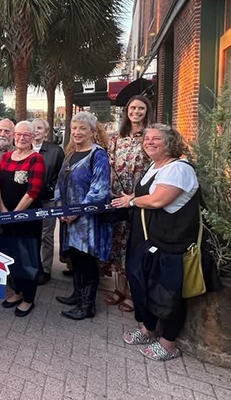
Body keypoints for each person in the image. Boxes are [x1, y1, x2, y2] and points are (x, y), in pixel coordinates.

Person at [112, 124, 198, 361]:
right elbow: (146, 195)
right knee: (145, 283)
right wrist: (133, 197)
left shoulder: (178, 168)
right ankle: (147, 330)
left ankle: (168, 343)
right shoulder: (155, 166)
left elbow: (158, 200)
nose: (149, 142)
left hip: (172, 242)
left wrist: (131, 202)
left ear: (170, 142)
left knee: (169, 293)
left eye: (156, 138)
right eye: (147, 138)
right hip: (151, 239)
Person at [54, 112, 111, 321]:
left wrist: (76, 212)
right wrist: (60, 207)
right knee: (75, 259)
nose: (77, 132)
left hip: (87, 222)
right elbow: (59, 184)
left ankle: (87, 306)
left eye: (82, 128)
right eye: (74, 128)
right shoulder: (70, 154)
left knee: (87, 261)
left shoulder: (98, 155)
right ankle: (77, 295)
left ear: (93, 132)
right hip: (68, 220)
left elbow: (99, 189)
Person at [102, 95, 153, 312]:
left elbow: (154, 169)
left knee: (134, 245)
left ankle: (133, 292)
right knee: (118, 243)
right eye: (132, 108)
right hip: (118, 198)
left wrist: (134, 195)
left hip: (139, 199)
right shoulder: (116, 138)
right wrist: (111, 192)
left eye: (141, 108)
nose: (136, 112)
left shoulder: (150, 136)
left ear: (147, 111)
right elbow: (110, 165)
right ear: (127, 111)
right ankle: (120, 288)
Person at [0, 121, 45, 317]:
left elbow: (33, 191)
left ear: (32, 137)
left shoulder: (36, 159)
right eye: (18, 134)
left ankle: (28, 298)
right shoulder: (6, 157)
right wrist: (2, 209)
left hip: (27, 219)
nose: (22, 138)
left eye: (26, 135)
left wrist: (15, 214)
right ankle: (17, 291)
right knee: (12, 255)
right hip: (6, 215)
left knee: (27, 257)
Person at [30, 119, 65, 285]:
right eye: (33, 128)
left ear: (46, 132)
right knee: (30, 234)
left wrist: (51, 189)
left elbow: (61, 175)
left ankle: (45, 269)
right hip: (28, 201)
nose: (36, 131)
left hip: (47, 200)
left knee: (46, 236)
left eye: (39, 128)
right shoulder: (23, 147)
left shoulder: (55, 151)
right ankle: (31, 265)